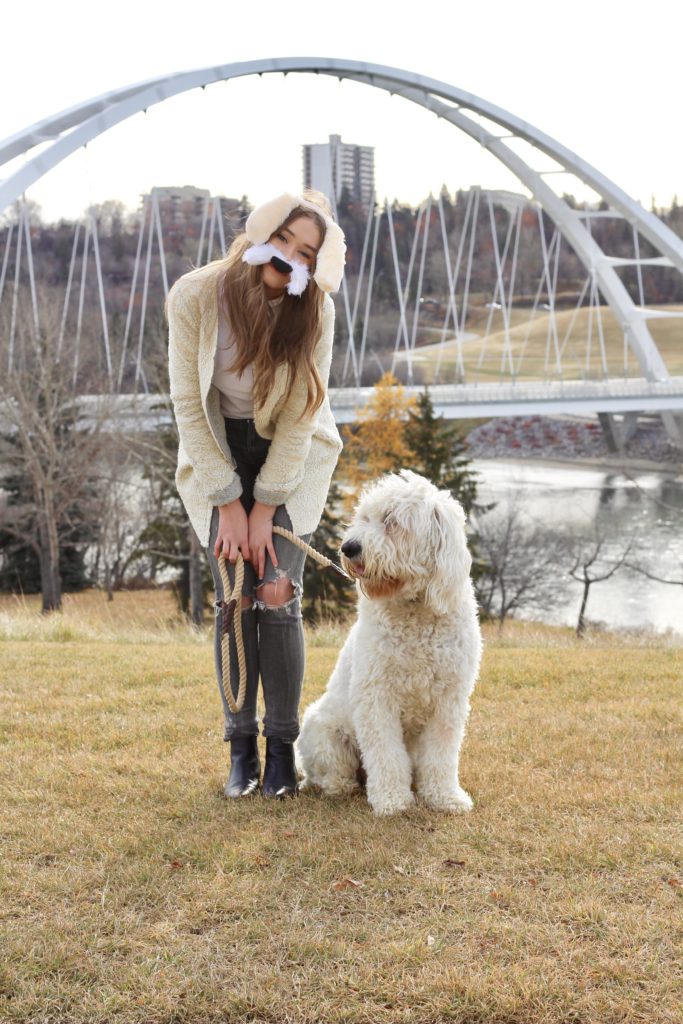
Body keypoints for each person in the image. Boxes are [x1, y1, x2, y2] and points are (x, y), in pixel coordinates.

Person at [166, 190, 345, 800]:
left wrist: (265, 505)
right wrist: (226, 500)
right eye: (286, 240)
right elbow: (189, 405)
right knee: (234, 596)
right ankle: (239, 751)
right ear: (261, 232)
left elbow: (300, 417)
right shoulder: (195, 295)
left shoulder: (315, 310)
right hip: (218, 449)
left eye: (307, 252)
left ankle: (280, 755)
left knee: (276, 592)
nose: (292, 257)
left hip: (291, 458)